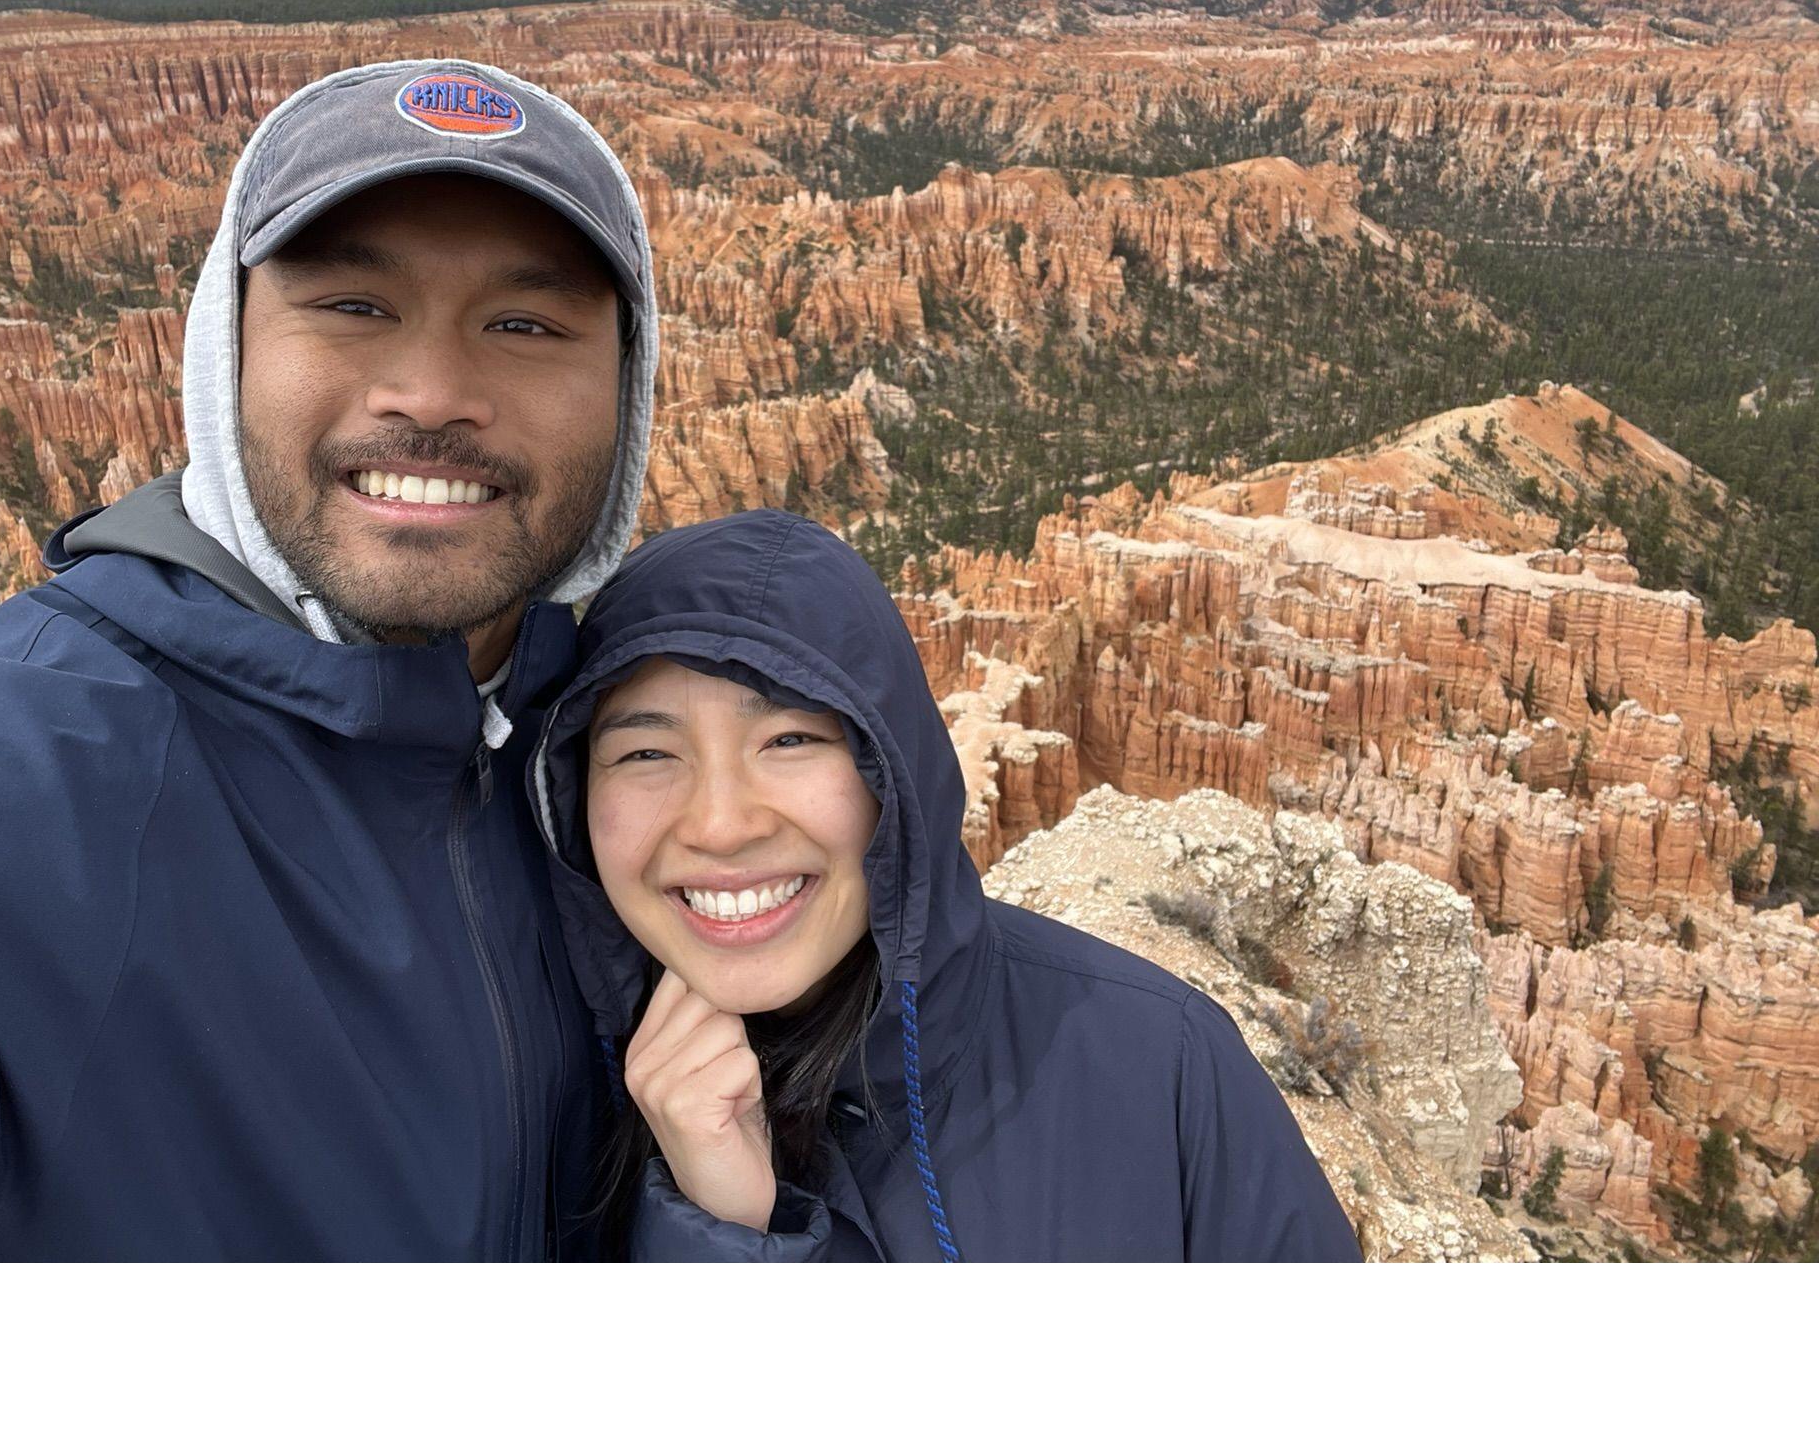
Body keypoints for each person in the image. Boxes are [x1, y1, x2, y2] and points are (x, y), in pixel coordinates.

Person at [0, 58, 659, 1260]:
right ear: (222, 348)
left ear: (626, 387)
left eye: (524, 323)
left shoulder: (660, 776)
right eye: (352, 304)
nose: (433, 392)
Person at [530, 507, 1365, 1261]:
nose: (718, 823)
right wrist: (718, 1229)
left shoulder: (1166, 1073)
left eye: (789, 739)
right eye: (646, 753)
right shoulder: (539, 1106)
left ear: (891, 770)